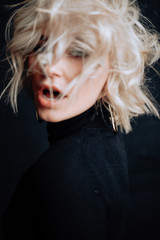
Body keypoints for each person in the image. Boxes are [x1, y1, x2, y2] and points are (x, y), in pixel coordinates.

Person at [1, 0, 160, 239]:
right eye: (41, 47)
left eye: (78, 51)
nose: (50, 67)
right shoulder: (104, 138)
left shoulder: (65, 172)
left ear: (114, 69)